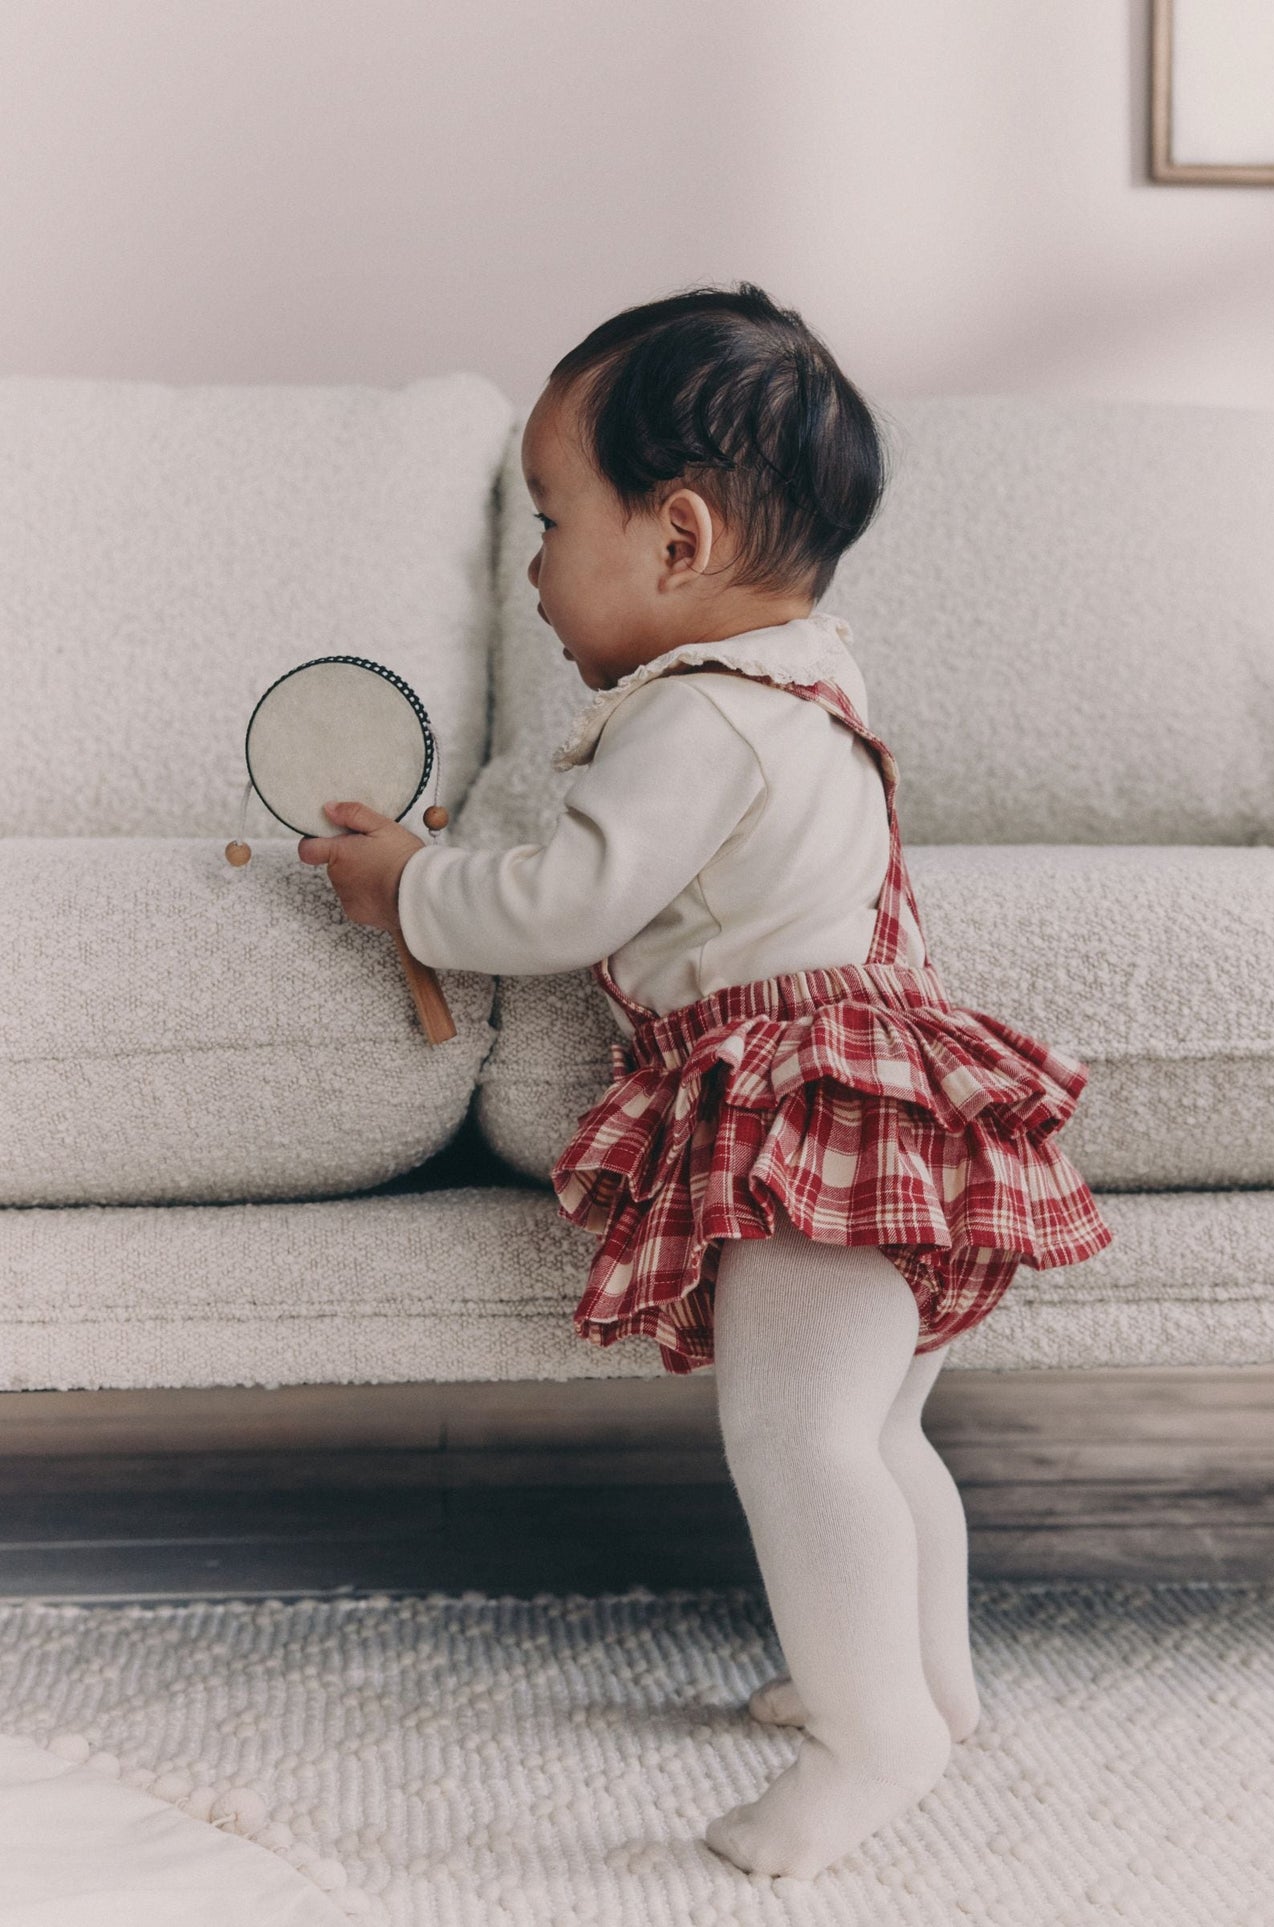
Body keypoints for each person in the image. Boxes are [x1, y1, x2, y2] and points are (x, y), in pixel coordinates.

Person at [298, 282, 1113, 1881]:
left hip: (812, 1113)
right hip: (886, 1093)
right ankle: (922, 1688)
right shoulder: (810, 683)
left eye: (548, 519)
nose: (531, 565)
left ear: (674, 540)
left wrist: (407, 884)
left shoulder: (698, 719)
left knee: (796, 1439)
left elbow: (565, 903)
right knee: (876, 1439)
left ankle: (866, 1740)